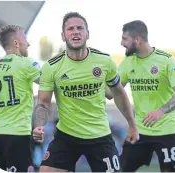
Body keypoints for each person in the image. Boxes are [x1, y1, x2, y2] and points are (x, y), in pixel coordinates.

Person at [32, 12, 139, 172]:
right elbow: (43, 102)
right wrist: (39, 125)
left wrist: (132, 125)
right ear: (63, 35)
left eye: (80, 28)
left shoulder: (104, 61)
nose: (75, 31)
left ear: (87, 34)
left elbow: (118, 93)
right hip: (66, 136)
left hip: (100, 136)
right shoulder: (51, 66)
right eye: (70, 29)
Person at [118, 20, 175, 172]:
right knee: (120, 169)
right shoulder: (128, 62)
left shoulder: (167, 60)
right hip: (139, 131)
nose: (121, 43)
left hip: (168, 131)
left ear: (137, 40)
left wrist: (161, 111)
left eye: (124, 39)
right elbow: (112, 91)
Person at [0, 25, 40, 172]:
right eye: (25, 39)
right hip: (17, 135)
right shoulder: (26, 63)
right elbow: (50, 82)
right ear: (16, 43)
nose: (28, 43)